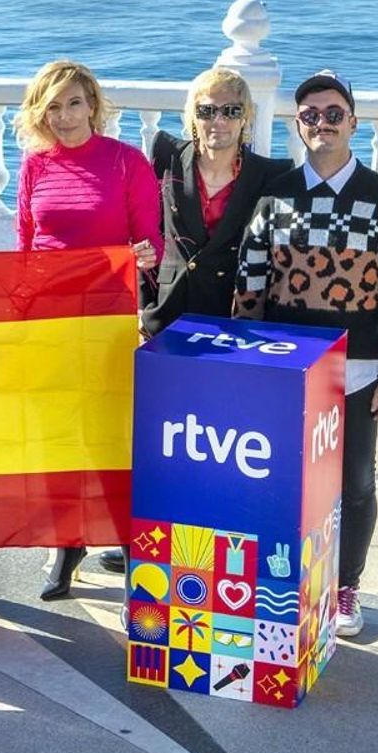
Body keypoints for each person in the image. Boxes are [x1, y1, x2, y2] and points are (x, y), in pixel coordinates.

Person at [235, 70, 378, 637]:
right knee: (288, 481)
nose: (322, 124)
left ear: (354, 122)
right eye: (310, 115)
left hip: (360, 369)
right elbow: (251, 285)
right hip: (286, 370)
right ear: (298, 124)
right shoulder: (275, 199)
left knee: (356, 482)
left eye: (333, 113)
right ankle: (291, 583)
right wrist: (248, 366)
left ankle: (346, 587)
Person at [100, 68, 291, 575]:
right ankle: (150, 546)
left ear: (246, 117)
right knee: (161, 441)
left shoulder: (271, 175)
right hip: (168, 319)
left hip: (233, 325)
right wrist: (141, 301)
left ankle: (212, 550)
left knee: (221, 444)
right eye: (207, 110)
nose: (218, 121)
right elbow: (139, 230)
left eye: (230, 110)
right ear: (192, 114)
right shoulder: (164, 158)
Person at [14, 59, 161, 600]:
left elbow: (152, 242)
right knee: (58, 437)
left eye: (74, 103)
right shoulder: (34, 166)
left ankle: (126, 538)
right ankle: (67, 544)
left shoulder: (126, 163)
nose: (65, 116)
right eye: (52, 105)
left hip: (106, 322)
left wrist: (141, 257)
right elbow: (27, 246)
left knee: (109, 434)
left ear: (93, 105)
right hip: (50, 325)